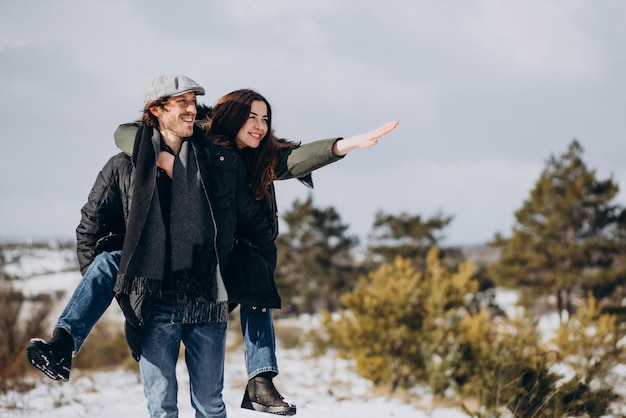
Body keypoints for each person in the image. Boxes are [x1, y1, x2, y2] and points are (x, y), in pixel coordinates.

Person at [27, 86, 398, 416]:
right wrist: (155, 155)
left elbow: (290, 160)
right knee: (161, 402)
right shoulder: (181, 151)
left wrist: (344, 145)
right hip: (156, 295)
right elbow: (119, 151)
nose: (260, 125)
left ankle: (261, 377)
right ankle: (63, 344)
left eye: (266, 118)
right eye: (251, 116)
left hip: (208, 290)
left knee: (211, 396)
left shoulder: (240, 162)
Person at [30, 74, 277, 418]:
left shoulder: (217, 165)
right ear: (156, 110)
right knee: (161, 406)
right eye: (183, 103)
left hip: (206, 301)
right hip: (154, 302)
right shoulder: (123, 166)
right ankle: (62, 343)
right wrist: (120, 288)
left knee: (209, 405)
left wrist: (258, 267)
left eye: (194, 102)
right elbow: (90, 226)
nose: (193, 110)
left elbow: (250, 220)